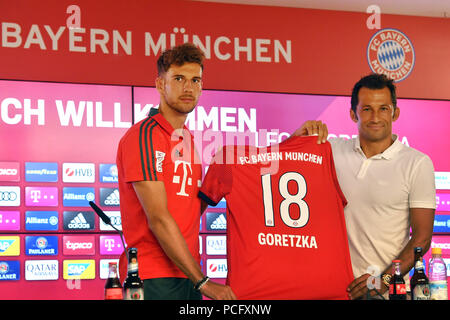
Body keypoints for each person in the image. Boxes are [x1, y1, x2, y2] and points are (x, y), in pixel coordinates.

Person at [295, 73, 436, 299]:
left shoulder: (417, 163)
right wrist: (297, 138)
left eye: (383, 109)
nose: (375, 117)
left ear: (395, 113)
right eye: (367, 109)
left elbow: (422, 238)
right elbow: (279, 168)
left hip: (385, 292)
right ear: (353, 114)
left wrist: (384, 280)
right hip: (331, 288)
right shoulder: (330, 150)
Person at [116, 43, 236, 300]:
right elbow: (158, 218)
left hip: (186, 274)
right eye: (179, 79)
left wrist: (209, 193)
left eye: (196, 80)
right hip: (152, 277)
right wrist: (203, 282)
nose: (188, 87)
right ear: (161, 85)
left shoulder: (187, 139)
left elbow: (184, 210)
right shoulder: (143, 135)